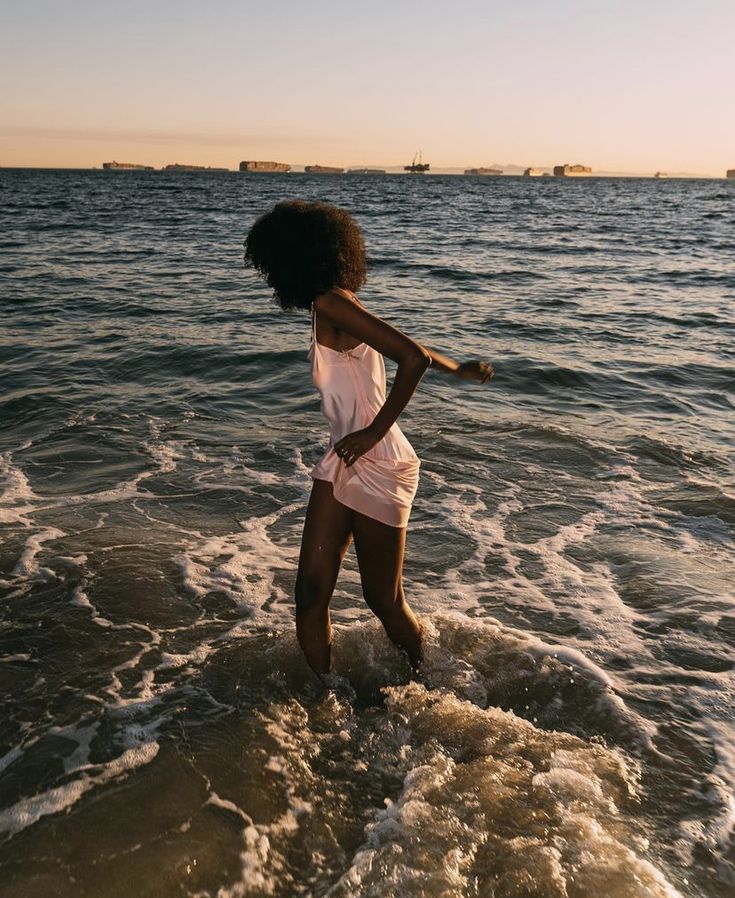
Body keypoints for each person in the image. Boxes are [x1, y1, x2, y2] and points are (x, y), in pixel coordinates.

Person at [244, 200, 492, 680]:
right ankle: (324, 696)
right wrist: (458, 367)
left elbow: (411, 357)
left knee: (384, 600)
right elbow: (407, 346)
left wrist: (374, 430)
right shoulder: (335, 301)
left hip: (377, 459)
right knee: (311, 593)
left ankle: (427, 680)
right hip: (343, 459)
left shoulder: (330, 303)